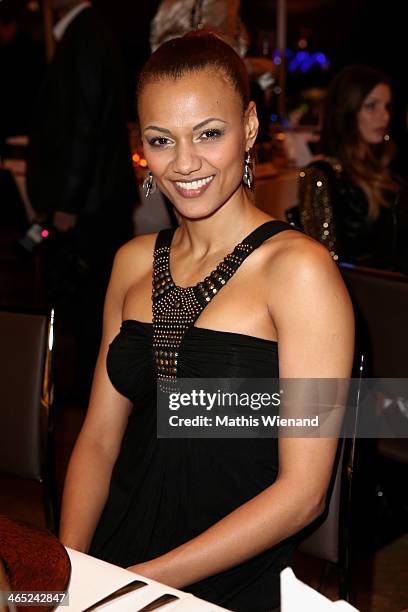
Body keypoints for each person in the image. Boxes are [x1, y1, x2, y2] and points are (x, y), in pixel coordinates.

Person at [59, 32, 354, 611]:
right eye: (161, 140)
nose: (185, 163)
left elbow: (303, 495)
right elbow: (97, 439)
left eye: (209, 133)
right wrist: (71, 570)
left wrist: (142, 584)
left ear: (248, 127)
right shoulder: (131, 261)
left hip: (223, 582)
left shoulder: (300, 272)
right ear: (139, 145)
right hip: (113, 564)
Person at [26, 0, 138, 398]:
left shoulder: (87, 34)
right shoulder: (85, 31)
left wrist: (67, 203)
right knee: (90, 311)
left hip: (88, 208)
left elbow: (84, 124)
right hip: (91, 202)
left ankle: (88, 402)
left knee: (92, 313)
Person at [296, 65, 402, 269]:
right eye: (372, 106)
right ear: (348, 111)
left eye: (387, 107)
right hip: (361, 292)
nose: (385, 116)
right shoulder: (322, 174)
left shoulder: (388, 168)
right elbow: (324, 260)